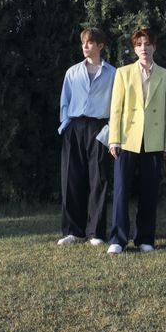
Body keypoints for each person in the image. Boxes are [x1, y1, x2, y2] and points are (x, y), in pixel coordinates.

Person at [107, 27, 166, 253]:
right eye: (139, 45)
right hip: (127, 140)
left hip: (154, 141)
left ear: (154, 47)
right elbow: (116, 109)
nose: (143, 48)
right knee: (121, 190)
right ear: (134, 49)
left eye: (147, 44)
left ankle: (145, 238)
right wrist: (114, 140)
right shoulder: (123, 73)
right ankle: (118, 240)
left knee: (149, 191)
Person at [57, 27, 116, 246]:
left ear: (100, 46)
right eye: (83, 42)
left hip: (99, 128)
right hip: (75, 127)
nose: (85, 46)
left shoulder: (113, 73)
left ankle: (96, 232)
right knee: (71, 179)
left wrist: (108, 131)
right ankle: (74, 231)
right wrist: (66, 125)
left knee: (98, 179)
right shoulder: (72, 72)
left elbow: (117, 105)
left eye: (90, 42)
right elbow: (65, 100)